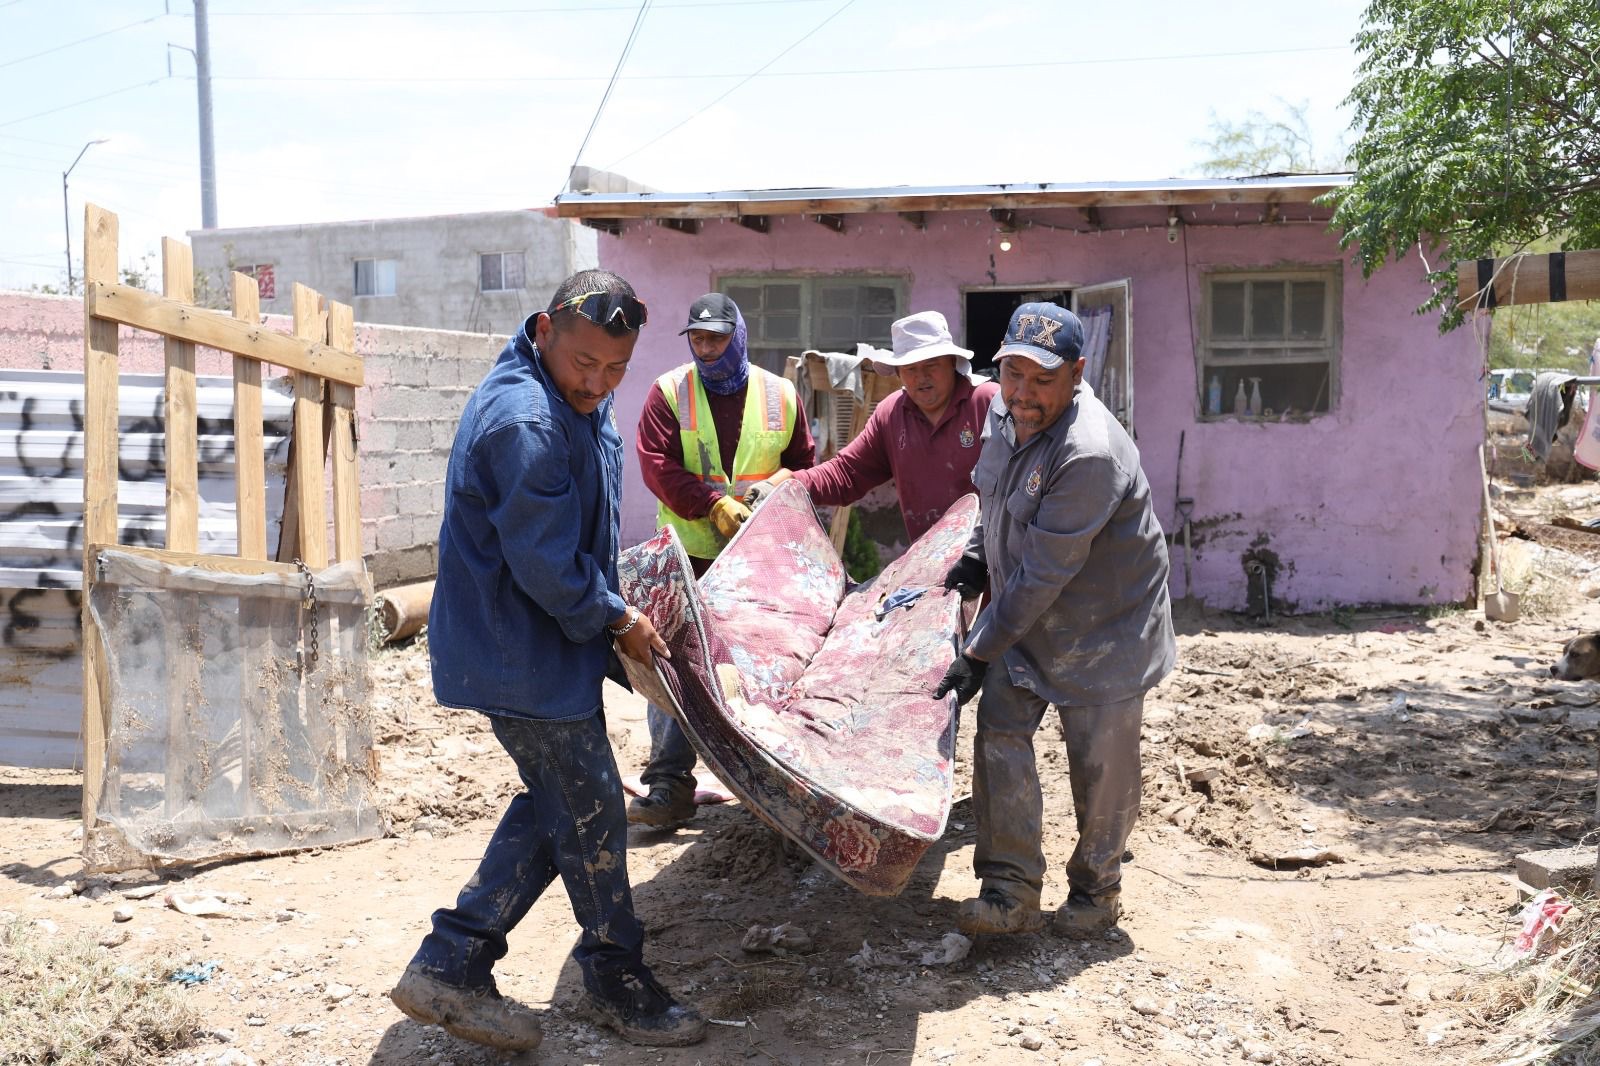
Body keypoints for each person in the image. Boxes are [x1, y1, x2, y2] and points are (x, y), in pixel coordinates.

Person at [389, 271, 707, 1050]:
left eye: (614, 370)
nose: (597, 383)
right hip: (519, 648)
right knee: (591, 806)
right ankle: (613, 974)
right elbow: (545, 564)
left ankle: (452, 958)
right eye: (584, 363)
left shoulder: (566, 395)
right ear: (544, 330)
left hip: (544, 643)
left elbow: (580, 531)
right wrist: (616, 617)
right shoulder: (525, 422)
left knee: (558, 797)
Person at [932, 301, 1176, 940]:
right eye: (1013, 374)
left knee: (1103, 768)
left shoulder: (1089, 453)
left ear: (1077, 374)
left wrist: (978, 650)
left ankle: (1097, 892)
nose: (1023, 393)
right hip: (1028, 614)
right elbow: (993, 498)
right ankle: (1009, 890)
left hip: (1106, 629)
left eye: (1042, 380)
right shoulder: (1001, 410)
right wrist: (978, 559)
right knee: (1000, 736)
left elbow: (1044, 573)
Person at [630, 292, 815, 829]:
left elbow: (802, 464)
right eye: (697, 338)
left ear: (739, 337)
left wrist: (781, 484)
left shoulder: (781, 394)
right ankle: (669, 786)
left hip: (759, 560)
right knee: (671, 666)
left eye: (717, 338)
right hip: (687, 555)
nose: (707, 349)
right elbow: (657, 466)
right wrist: (712, 504)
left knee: (763, 668)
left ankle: (772, 783)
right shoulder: (669, 393)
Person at [743, 310, 999, 544]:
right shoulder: (891, 414)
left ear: (952, 363)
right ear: (898, 373)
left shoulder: (988, 402)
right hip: (930, 563)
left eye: (931, 366)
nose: (921, 377)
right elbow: (847, 473)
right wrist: (789, 483)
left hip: (997, 560)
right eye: (910, 368)